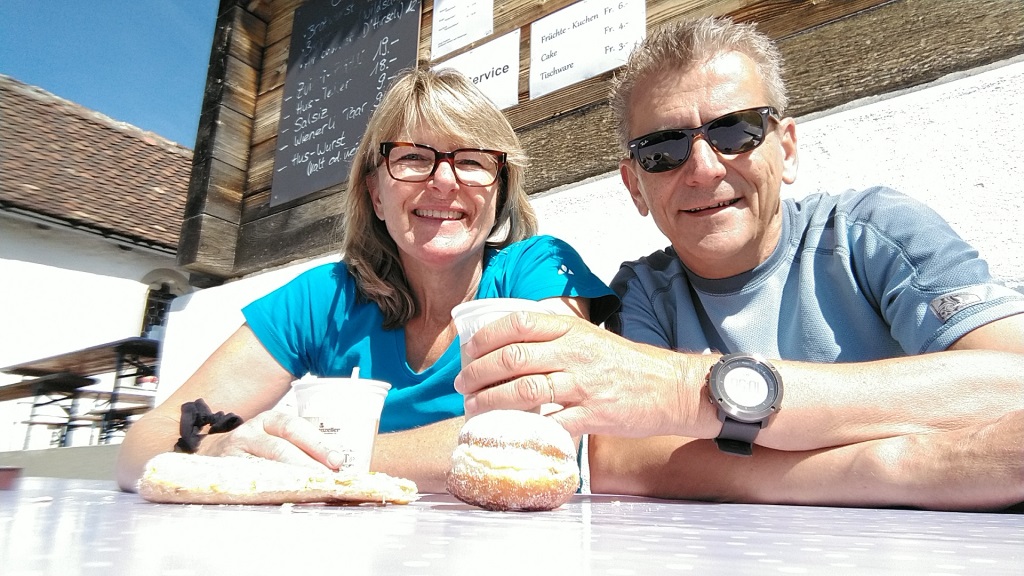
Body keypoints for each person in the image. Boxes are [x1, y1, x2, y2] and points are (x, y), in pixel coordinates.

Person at [453, 18, 1024, 510]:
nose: (704, 168)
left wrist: (684, 392)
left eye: (736, 131)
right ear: (635, 186)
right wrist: (889, 466)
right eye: (663, 150)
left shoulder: (872, 233)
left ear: (787, 148)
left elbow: (1013, 382)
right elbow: (621, 458)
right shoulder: (642, 291)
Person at [116, 67, 617, 493]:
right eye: (413, 158)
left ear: (499, 193)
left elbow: (541, 437)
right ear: (375, 194)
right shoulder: (326, 297)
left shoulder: (539, 269)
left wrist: (319, 464)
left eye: (471, 161)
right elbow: (142, 445)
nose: (445, 181)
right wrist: (219, 449)